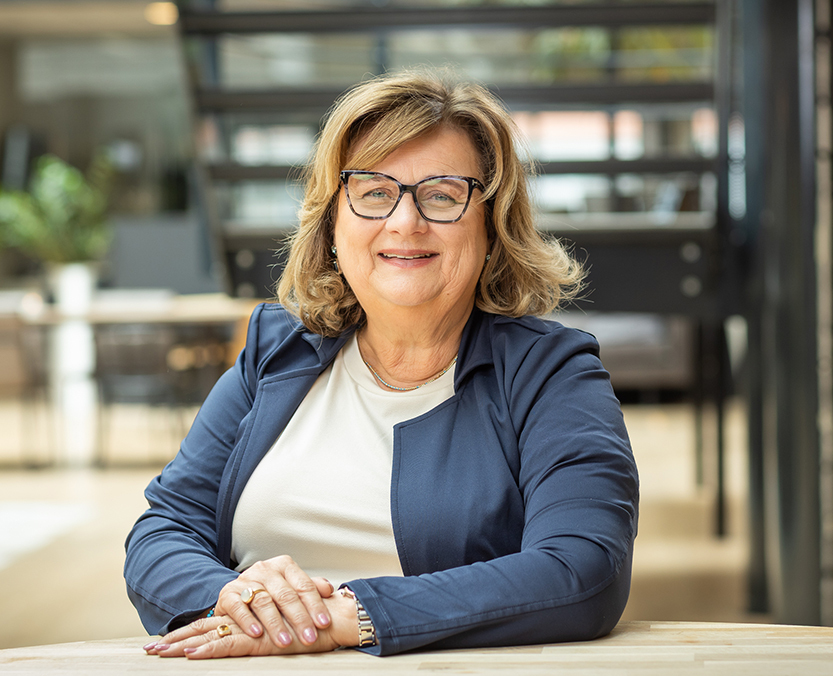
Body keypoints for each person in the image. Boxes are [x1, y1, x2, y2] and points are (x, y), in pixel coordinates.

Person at [124, 69, 640, 659]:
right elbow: (164, 530)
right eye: (373, 192)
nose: (404, 222)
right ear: (332, 225)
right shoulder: (275, 352)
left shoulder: (550, 373)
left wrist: (351, 615)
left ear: (492, 227)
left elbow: (582, 568)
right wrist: (238, 600)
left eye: (442, 194)